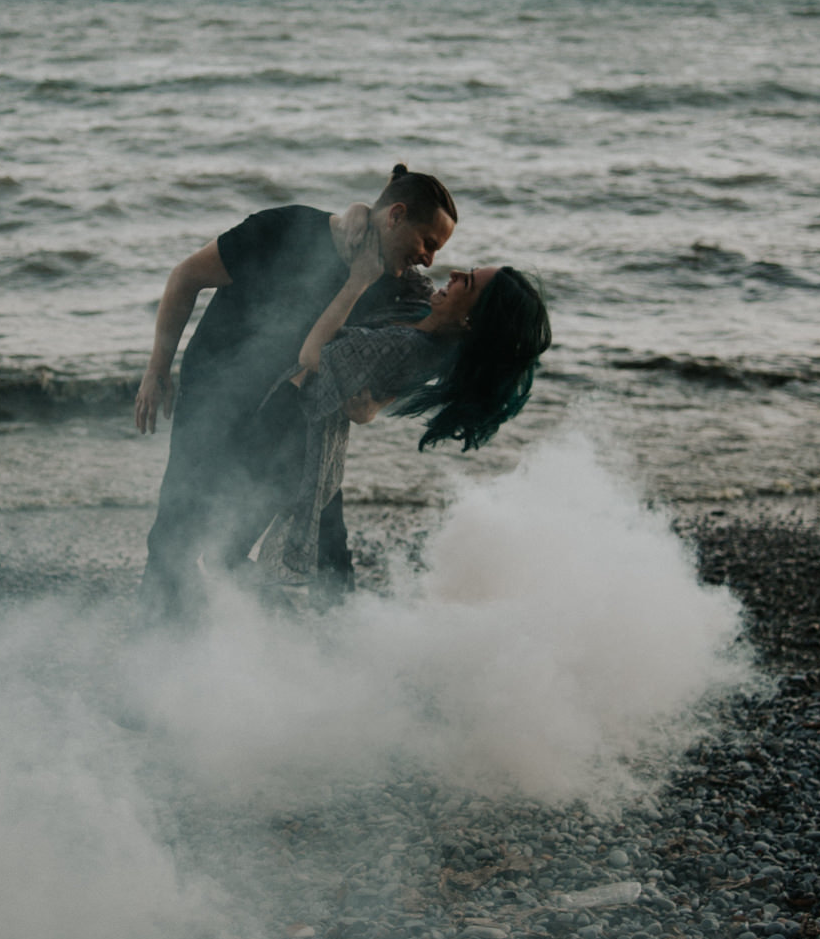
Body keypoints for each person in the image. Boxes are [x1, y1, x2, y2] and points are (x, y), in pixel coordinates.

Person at [136, 165, 458, 616]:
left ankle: (330, 649)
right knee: (178, 522)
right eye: (428, 243)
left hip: (294, 419)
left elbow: (439, 321)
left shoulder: (392, 281)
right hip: (216, 391)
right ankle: (159, 643)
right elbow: (187, 276)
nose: (429, 259)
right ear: (396, 216)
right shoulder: (284, 228)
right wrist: (157, 370)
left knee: (328, 541)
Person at [250, 263, 552, 584]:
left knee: (233, 533)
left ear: (472, 319)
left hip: (292, 426)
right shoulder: (427, 320)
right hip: (311, 429)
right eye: (469, 270)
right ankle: (334, 623)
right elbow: (401, 268)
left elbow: (314, 358)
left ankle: (259, 620)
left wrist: (356, 281)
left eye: (469, 282)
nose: (454, 274)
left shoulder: (411, 346)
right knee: (328, 552)